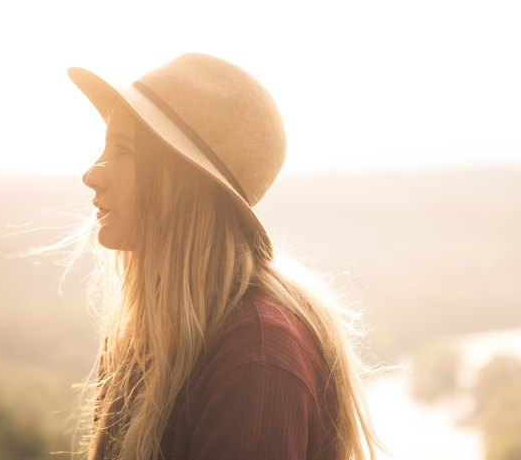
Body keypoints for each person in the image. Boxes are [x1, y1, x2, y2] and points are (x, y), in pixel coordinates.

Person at [68, 53, 383, 460]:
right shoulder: (150, 333)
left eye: (124, 150)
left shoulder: (257, 359)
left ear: (187, 182)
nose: (92, 174)